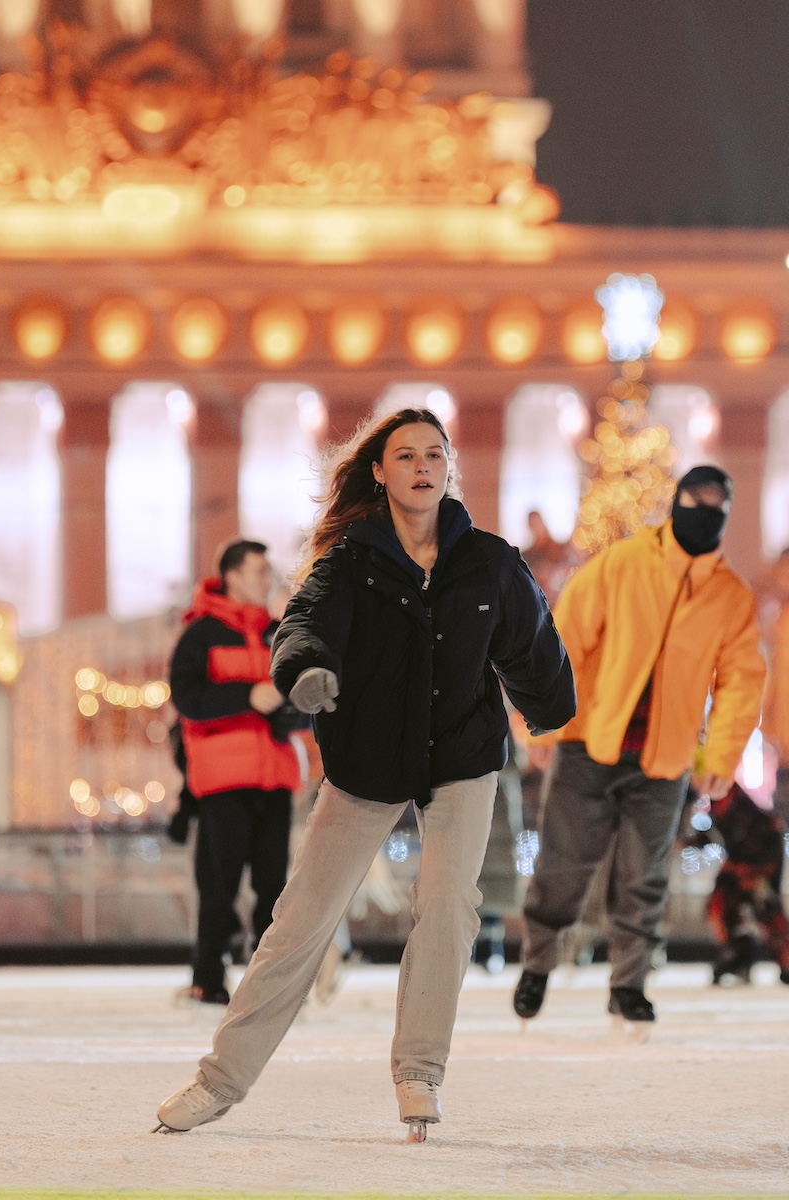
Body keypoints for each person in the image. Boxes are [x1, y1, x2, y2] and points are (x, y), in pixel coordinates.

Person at [154, 408, 574, 1142]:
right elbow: (305, 624)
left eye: (434, 454)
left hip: (462, 757)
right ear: (378, 472)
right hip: (370, 756)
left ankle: (419, 1074)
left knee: (448, 906)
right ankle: (219, 1081)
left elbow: (531, 640)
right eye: (405, 454)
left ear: (448, 469)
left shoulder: (488, 561)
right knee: (301, 922)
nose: (421, 466)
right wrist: (306, 670)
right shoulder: (350, 561)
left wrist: (551, 710)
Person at [512, 465, 766, 1034]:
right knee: (562, 865)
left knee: (643, 876)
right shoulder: (623, 564)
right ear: (676, 503)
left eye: (718, 504)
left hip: (664, 759)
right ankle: (537, 965)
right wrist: (543, 726)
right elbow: (566, 640)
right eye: (697, 501)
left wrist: (721, 758)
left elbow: (741, 681)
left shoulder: (729, 595)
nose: (707, 512)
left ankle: (628, 985)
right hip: (588, 743)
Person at [169, 539, 304, 1005]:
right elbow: (187, 699)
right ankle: (209, 979)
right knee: (219, 883)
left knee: (274, 885)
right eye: (259, 571)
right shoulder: (200, 634)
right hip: (224, 777)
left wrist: (288, 713)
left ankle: (269, 988)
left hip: (275, 774)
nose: (268, 579)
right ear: (232, 576)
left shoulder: (279, 632)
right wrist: (247, 697)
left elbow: (305, 704)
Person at [689, 782, 789, 986]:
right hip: (742, 861)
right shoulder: (717, 801)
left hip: (762, 860)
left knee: (767, 909)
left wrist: (756, 871)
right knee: (722, 906)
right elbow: (713, 835)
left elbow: (762, 834)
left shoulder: (735, 800)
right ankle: (737, 956)